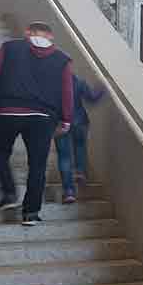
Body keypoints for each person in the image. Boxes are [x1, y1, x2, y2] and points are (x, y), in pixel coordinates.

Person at [0, 22, 75, 227]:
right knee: (38, 164)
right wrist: (66, 119)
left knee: (0, 153)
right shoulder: (63, 59)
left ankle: (8, 193)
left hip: (8, 112)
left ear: (27, 33)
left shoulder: (9, 48)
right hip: (43, 118)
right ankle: (31, 213)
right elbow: (67, 92)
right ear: (51, 37)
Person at [54, 74, 107, 205]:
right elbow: (92, 99)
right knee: (80, 147)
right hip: (80, 121)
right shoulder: (79, 82)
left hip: (60, 124)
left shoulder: (52, 83)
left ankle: (69, 192)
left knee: (64, 157)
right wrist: (102, 89)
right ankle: (80, 171)